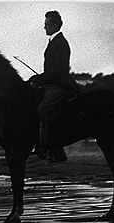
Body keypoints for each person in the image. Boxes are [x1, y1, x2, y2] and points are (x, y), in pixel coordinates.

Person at [29, 10, 78, 161]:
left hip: (61, 85)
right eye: (45, 25)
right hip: (52, 83)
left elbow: (57, 71)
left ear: (56, 25)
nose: (45, 28)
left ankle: (47, 147)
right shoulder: (53, 41)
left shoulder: (61, 43)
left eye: (47, 25)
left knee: (43, 108)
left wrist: (39, 78)